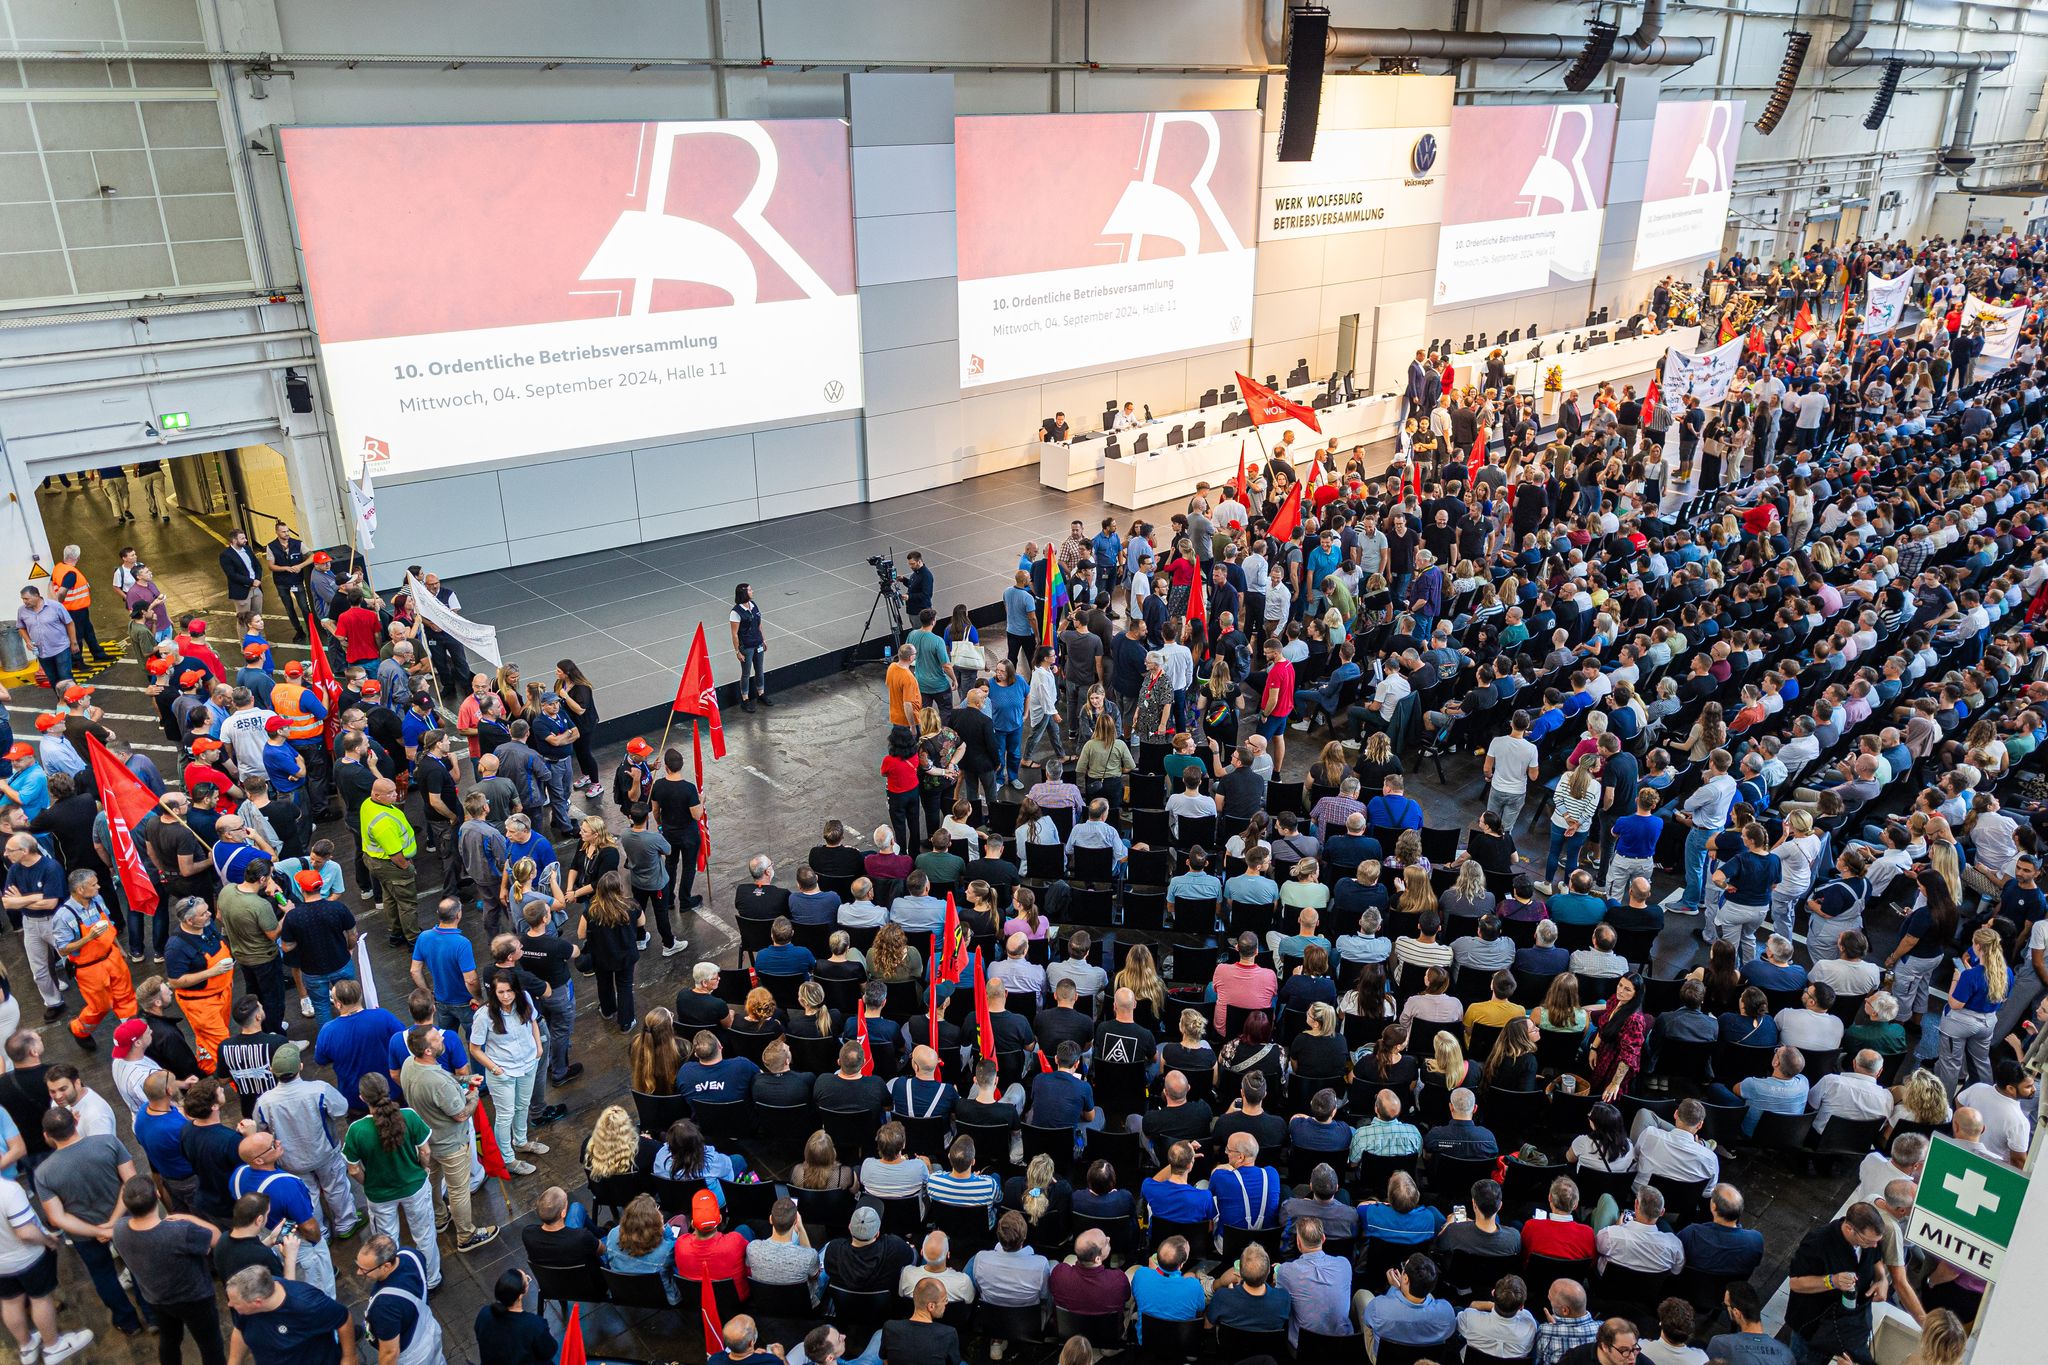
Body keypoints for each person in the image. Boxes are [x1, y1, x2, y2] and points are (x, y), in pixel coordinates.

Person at [397, 1026, 496, 1253]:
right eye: (436, 1038)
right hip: (450, 1144)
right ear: (429, 1051)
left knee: (432, 1182)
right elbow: (460, 1114)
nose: (442, 1038)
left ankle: (440, 1218)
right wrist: (472, 1096)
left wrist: (465, 1078)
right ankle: (466, 1235)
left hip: (425, 1141)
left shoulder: (409, 1065)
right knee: (458, 1190)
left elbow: (444, 1078)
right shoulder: (437, 1082)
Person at [342, 1073, 439, 1292]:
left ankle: (396, 1282)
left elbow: (353, 1168)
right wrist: (423, 1166)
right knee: (424, 1235)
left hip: (380, 1195)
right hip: (414, 1186)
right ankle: (431, 1280)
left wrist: (368, 1183)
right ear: (387, 1091)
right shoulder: (409, 1116)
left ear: (362, 1098)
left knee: (386, 1241)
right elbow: (425, 1150)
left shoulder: (356, 1130)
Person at [111, 1174, 222, 1365]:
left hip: (156, 1299)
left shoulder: (119, 1229)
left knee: (169, 1340)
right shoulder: (179, 1231)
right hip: (196, 1298)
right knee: (210, 1345)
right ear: (157, 1194)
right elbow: (216, 1238)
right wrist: (187, 1217)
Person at [223, 1266, 353, 1365]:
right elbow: (240, 1329)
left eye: (234, 1302)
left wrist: (349, 1357)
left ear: (257, 1302)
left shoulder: (309, 1305)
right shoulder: (245, 1307)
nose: (229, 1304)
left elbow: (343, 1318)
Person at [1355, 1251, 1457, 1356]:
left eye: (1404, 1267)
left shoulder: (1378, 1307)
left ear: (1406, 1278)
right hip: (1425, 1360)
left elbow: (1369, 1320)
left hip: (1384, 1359)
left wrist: (1395, 1288)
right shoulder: (1447, 1313)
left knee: (1362, 1294)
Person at [473, 1269, 557, 1365]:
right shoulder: (534, 1325)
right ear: (521, 1294)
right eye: (526, 1279)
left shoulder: (484, 1314)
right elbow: (550, 1350)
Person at [731, 583, 770, 712]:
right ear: (744, 593)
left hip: (757, 643)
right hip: (746, 647)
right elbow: (735, 634)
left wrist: (763, 639)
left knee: (759, 670)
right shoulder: (735, 612)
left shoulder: (754, 606)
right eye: (750, 590)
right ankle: (745, 699)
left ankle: (761, 694)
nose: (752, 591)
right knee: (746, 673)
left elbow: (759, 625)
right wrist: (737, 651)